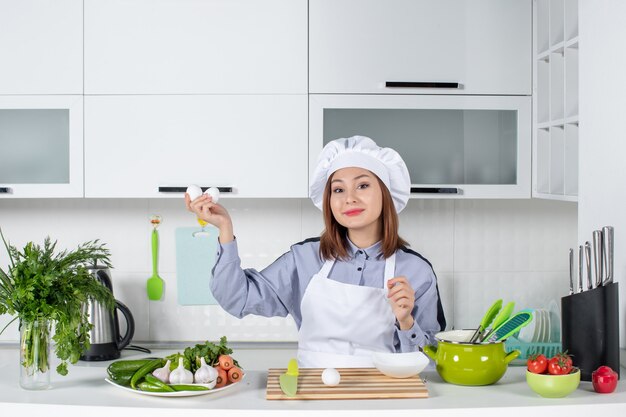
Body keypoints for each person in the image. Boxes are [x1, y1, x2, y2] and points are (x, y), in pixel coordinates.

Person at [185, 136, 446, 368]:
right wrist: (224, 228)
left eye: (363, 185)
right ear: (329, 201)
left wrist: (406, 321)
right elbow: (236, 298)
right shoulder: (305, 259)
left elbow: (432, 359)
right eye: (338, 189)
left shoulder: (416, 271)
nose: (349, 198)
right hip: (313, 395)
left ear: (385, 193)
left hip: (383, 398)